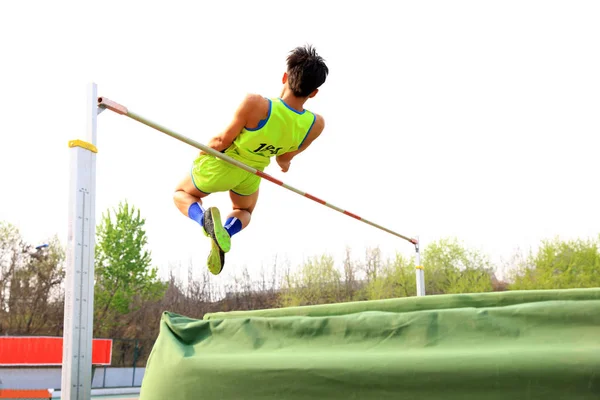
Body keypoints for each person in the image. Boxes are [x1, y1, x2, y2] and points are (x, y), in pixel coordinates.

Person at [173, 44, 328, 275]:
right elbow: (284, 160)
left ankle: (204, 220)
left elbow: (222, 141)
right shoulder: (315, 124)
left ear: (285, 76)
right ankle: (226, 231)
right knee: (244, 211)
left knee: (181, 194)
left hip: (224, 164)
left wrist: (203, 153)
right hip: (252, 173)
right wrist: (285, 162)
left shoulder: (257, 104)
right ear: (314, 92)